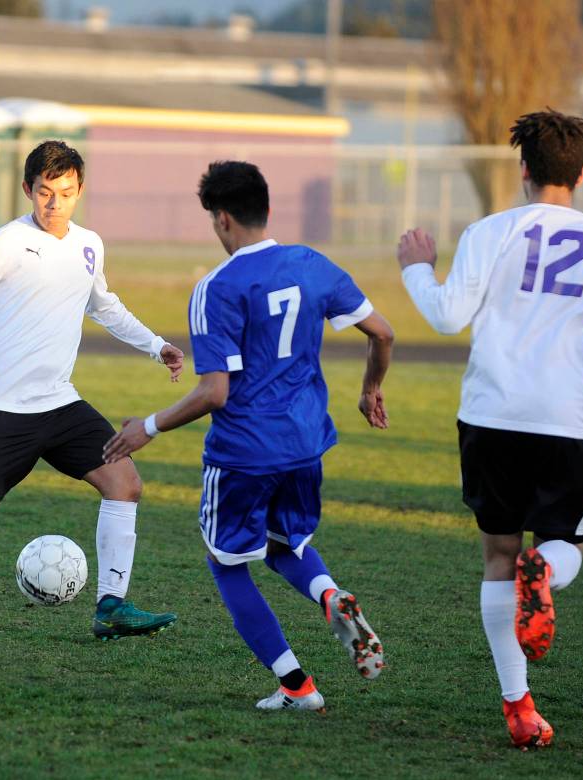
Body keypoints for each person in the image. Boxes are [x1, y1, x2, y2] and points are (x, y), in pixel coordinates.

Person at [103, 160, 394, 711]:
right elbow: (382, 333)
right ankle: (330, 594)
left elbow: (216, 392)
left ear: (222, 219)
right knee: (286, 544)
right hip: (306, 444)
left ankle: (297, 688)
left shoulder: (217, 287)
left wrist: (148, 426)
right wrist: (371, 387)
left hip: (244, 451)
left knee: (228, 563)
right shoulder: (312, 264)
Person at [396, 110, 583, 749]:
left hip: (491, 418)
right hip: (568, 421)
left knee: (497, 559)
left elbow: (449, 317)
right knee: (565, 548)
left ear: (523, 169)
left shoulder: (489, 231)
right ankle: (547, 570)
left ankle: (519, 707)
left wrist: (417, 268)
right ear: (582, 174)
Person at [0, 140, 185, 640]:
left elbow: (104, 305)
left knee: (125, 483)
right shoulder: (6, 241)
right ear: (27, 190)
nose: (54, 203)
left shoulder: (90, 244)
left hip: (59, 401)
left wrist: (157, 346)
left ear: (79, 191)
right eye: (45, 192)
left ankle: (112, 604)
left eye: (65, 192)